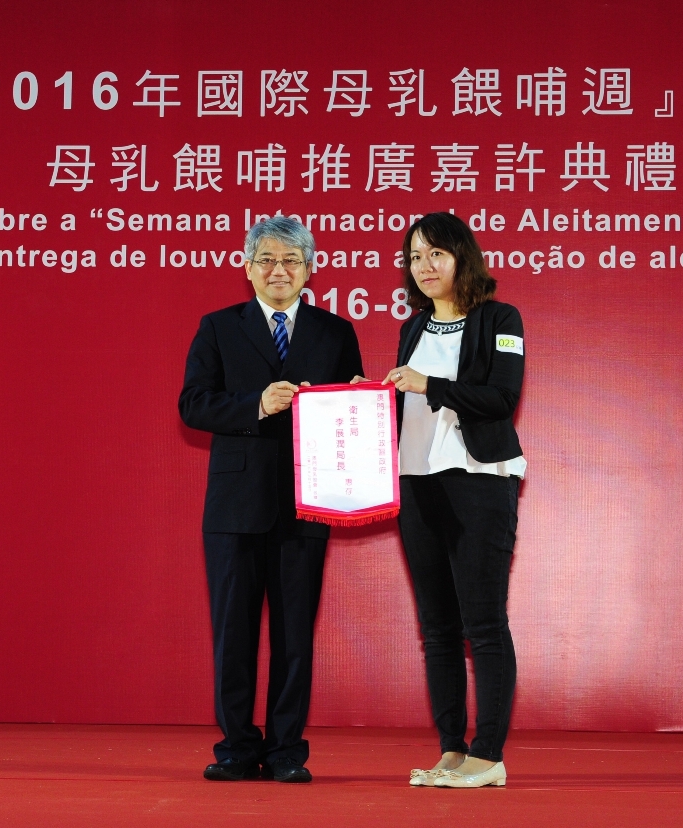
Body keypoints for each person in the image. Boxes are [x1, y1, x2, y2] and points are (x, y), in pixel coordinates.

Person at [179, 216, 364, 784]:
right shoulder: (218, 327)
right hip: (235, 505)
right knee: (233, 633)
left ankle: (286, 750)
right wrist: (257, 404)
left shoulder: (335, 332)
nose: (278, 270)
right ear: (247, 267)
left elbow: (355, 409)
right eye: (266, 260)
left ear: (309, 269)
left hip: (308, 501)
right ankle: (236, 747)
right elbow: (193, 404)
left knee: (294, 636)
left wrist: (362, 401)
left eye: (290, 260)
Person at [383, 212, 525, 788]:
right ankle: (451, 749)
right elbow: (406, 407)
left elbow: (502, 397)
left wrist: (430, 385)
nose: (424, 266)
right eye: (415, 257)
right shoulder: (413, 328)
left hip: (479, 478)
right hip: (416, 481)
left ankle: (488, 756)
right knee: (437, 627)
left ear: (462, 256)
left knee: (483, 622)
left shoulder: (500, 318)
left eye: (436, 254)